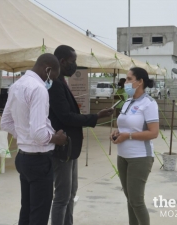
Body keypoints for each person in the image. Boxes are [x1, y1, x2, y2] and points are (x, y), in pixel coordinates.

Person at [49, 45, 114, 225]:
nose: (75, 65)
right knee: (62, 196)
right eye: (73, 61)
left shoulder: (62, 81)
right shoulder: (54, 85)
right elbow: (66, 117)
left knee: (71, 192)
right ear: (62, 62)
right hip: (62, 148)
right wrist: (96, 117)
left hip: (71, 148)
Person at [1, 53, 67, 225]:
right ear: (47, 69)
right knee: (39, 214)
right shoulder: (39, 89)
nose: (51, 81)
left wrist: (23, 136)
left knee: (27, 209)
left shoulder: (16, 85)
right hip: (39, 160)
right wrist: (57, 139)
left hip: (23, 157)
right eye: (52, 76)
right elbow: (39, 133)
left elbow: (5, 122)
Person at [110, 67, 159, 225]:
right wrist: (117, 132)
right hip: (123, 156)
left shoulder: (149, 103)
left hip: (140, 157)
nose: (126, 82)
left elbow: (153, 133)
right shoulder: (128, 102)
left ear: (140, 82)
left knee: (137, 201)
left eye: (130, 79)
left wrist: (128, 136)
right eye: (126, 79)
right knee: (129, 199)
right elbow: (126, 126)